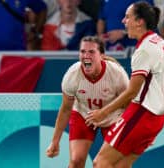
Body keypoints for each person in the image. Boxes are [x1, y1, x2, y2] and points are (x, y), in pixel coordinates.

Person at [86, 2, 164, 167]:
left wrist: (103, 113)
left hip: (141, 114)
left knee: (100, 163)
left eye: (127, 17)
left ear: (139, 21)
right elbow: (148, 81)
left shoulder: (144, 50)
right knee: (121, 166)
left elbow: (133, 91)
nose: (124, 21)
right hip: (156, 118)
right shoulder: (159, 42)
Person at [46, 36, 129, 168]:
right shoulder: (72, 75)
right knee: (76, 161)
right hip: (83, 115)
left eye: (91, 52)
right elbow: (66, 109)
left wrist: (135, 130)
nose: (86, 55)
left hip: (113, 117)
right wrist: (55, 141)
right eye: (83, 51)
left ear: (102, 55)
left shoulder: (117, 73)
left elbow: (128, 103)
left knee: (115, 164)